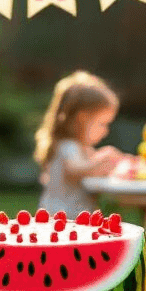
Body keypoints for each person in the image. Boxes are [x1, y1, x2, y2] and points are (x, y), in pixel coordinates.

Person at [35, 71, 123, 214]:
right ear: (82, 119)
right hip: (62, 219)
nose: (105, 131)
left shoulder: (81, 148)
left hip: (71, 218)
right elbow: (75, 169)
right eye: (102, 124)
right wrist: (102, 160)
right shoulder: (68, 146)